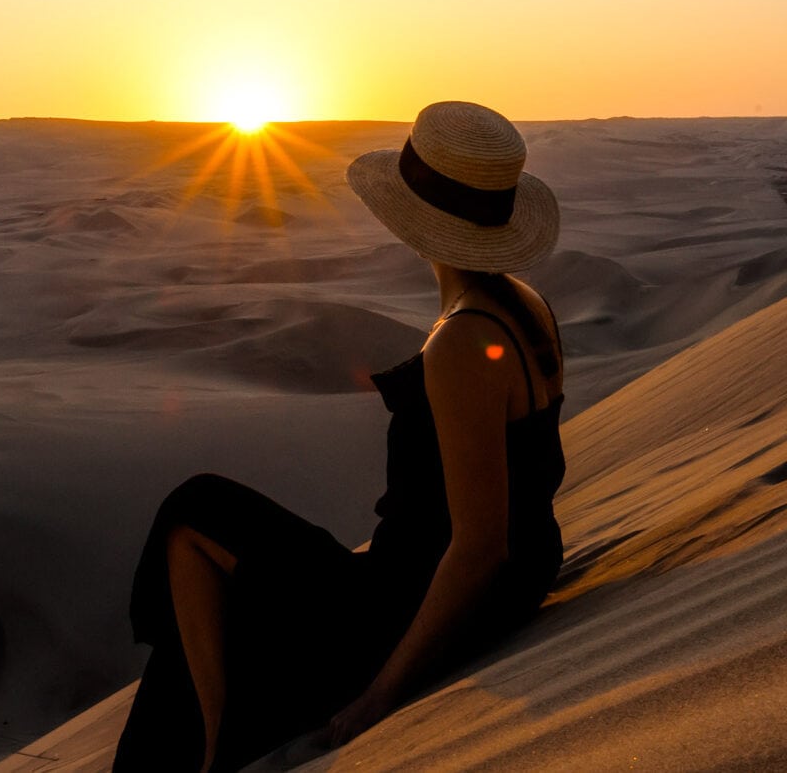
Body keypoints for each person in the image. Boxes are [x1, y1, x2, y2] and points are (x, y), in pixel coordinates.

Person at [114, 101, 565, 772]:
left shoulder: (464, 342)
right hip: (498, 575)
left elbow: (478, 546)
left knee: (192, 511)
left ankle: (217, 747)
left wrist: (380, 694)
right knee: (229, 578)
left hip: (404, 605)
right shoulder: (524, 305)